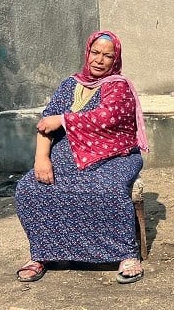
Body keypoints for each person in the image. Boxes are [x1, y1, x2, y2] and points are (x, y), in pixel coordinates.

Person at [14, 30, 149, 284]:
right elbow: (46, 123)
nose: (99, 60)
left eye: (107, 55)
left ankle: (126, 255)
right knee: (29, 189)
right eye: (95, 53)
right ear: (87, 53)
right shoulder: (69, 84)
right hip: (67, 159)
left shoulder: (118, 86)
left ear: (115, 59)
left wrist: (63, 120)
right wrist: (41, 159)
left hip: (114, 157)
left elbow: (107, 117)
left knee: (108, 188)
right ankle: (43, 254)